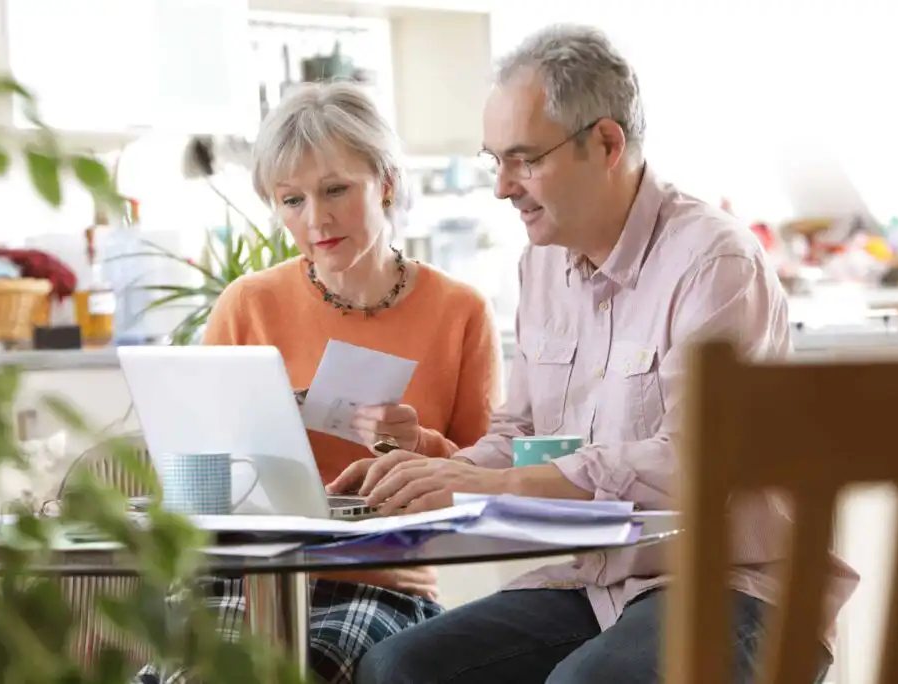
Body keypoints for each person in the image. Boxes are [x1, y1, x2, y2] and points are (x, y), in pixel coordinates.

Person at [327, 24, 860, 684]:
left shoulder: (712, 261)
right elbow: (520, 436)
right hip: (598, 580)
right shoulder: (541, 267)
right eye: (494, 159)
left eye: (523, 158)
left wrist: (494, 484)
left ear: (606, 143)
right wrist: (438, 476)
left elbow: (696, 461)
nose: (501, 186)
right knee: (399, 666)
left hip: (738, 585)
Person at [134, 82, 502, 684]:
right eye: (291, 200)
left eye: (336, 190)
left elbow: (491, 490)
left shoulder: (459, 312)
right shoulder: (248, 305)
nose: (316, 220)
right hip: (243, 579)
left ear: (385, 183)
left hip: (380, 585)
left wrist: (420, 447)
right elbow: (192, 472)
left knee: (289, 671)